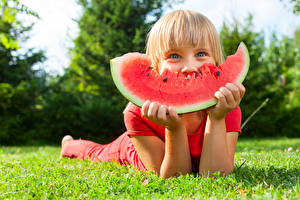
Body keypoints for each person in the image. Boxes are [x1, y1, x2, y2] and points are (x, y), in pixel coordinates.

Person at [60, 9, 246, 178]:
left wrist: (217, 119)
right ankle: (69, 144)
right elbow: (175, 178)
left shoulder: (227, 107)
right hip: (133, 147)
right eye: (174, 56)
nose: (190, 67)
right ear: (154, 68)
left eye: (201, 54)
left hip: (217, 114)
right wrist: (174, 129)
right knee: (98, 154)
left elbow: (215, 175)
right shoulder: (137, 113)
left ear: (216, 60)